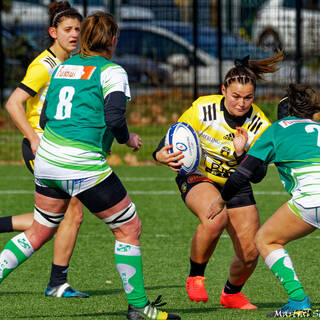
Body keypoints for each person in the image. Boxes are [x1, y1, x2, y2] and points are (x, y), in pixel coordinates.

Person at [0, 11, 181, 320]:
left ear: (84, 37)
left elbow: (44, 118)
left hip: (47, 159)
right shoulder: (112, 71)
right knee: (129, 228)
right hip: (81, 164)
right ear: (113, 40)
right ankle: (138, 306)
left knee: (39, 230)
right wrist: (127, 139)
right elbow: (114, 117)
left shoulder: (63, 68)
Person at [153, 52, 283, 309]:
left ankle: (232, 294)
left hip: (236, 181)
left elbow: (258, 175)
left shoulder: (260, 125)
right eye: (235, 96)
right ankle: (196, 275)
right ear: (223, 90)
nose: (241, 103)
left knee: (250, 252)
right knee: (215, 218)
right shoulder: (203, 108)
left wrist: (241, 153)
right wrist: (159, 155)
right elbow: (173, 137)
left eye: (248, 98)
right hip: (198, 175)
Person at [208, 83, 320, 318]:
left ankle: (298, 300)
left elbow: (244, 176)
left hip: (312, 198)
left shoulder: (277, 129)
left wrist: (221, 200)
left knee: (266, 239)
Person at [3, 1, 88, 298]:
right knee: (71, 214)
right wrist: (33, 138)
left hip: (58, 149)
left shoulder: (71, 65)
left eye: (78, 29)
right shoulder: (45, 65)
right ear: (54, 32)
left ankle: (57, 282)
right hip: (41, 149)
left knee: (54, 218)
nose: (75, 34)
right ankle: (57, 283)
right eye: (68, 30)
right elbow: (13, 103)